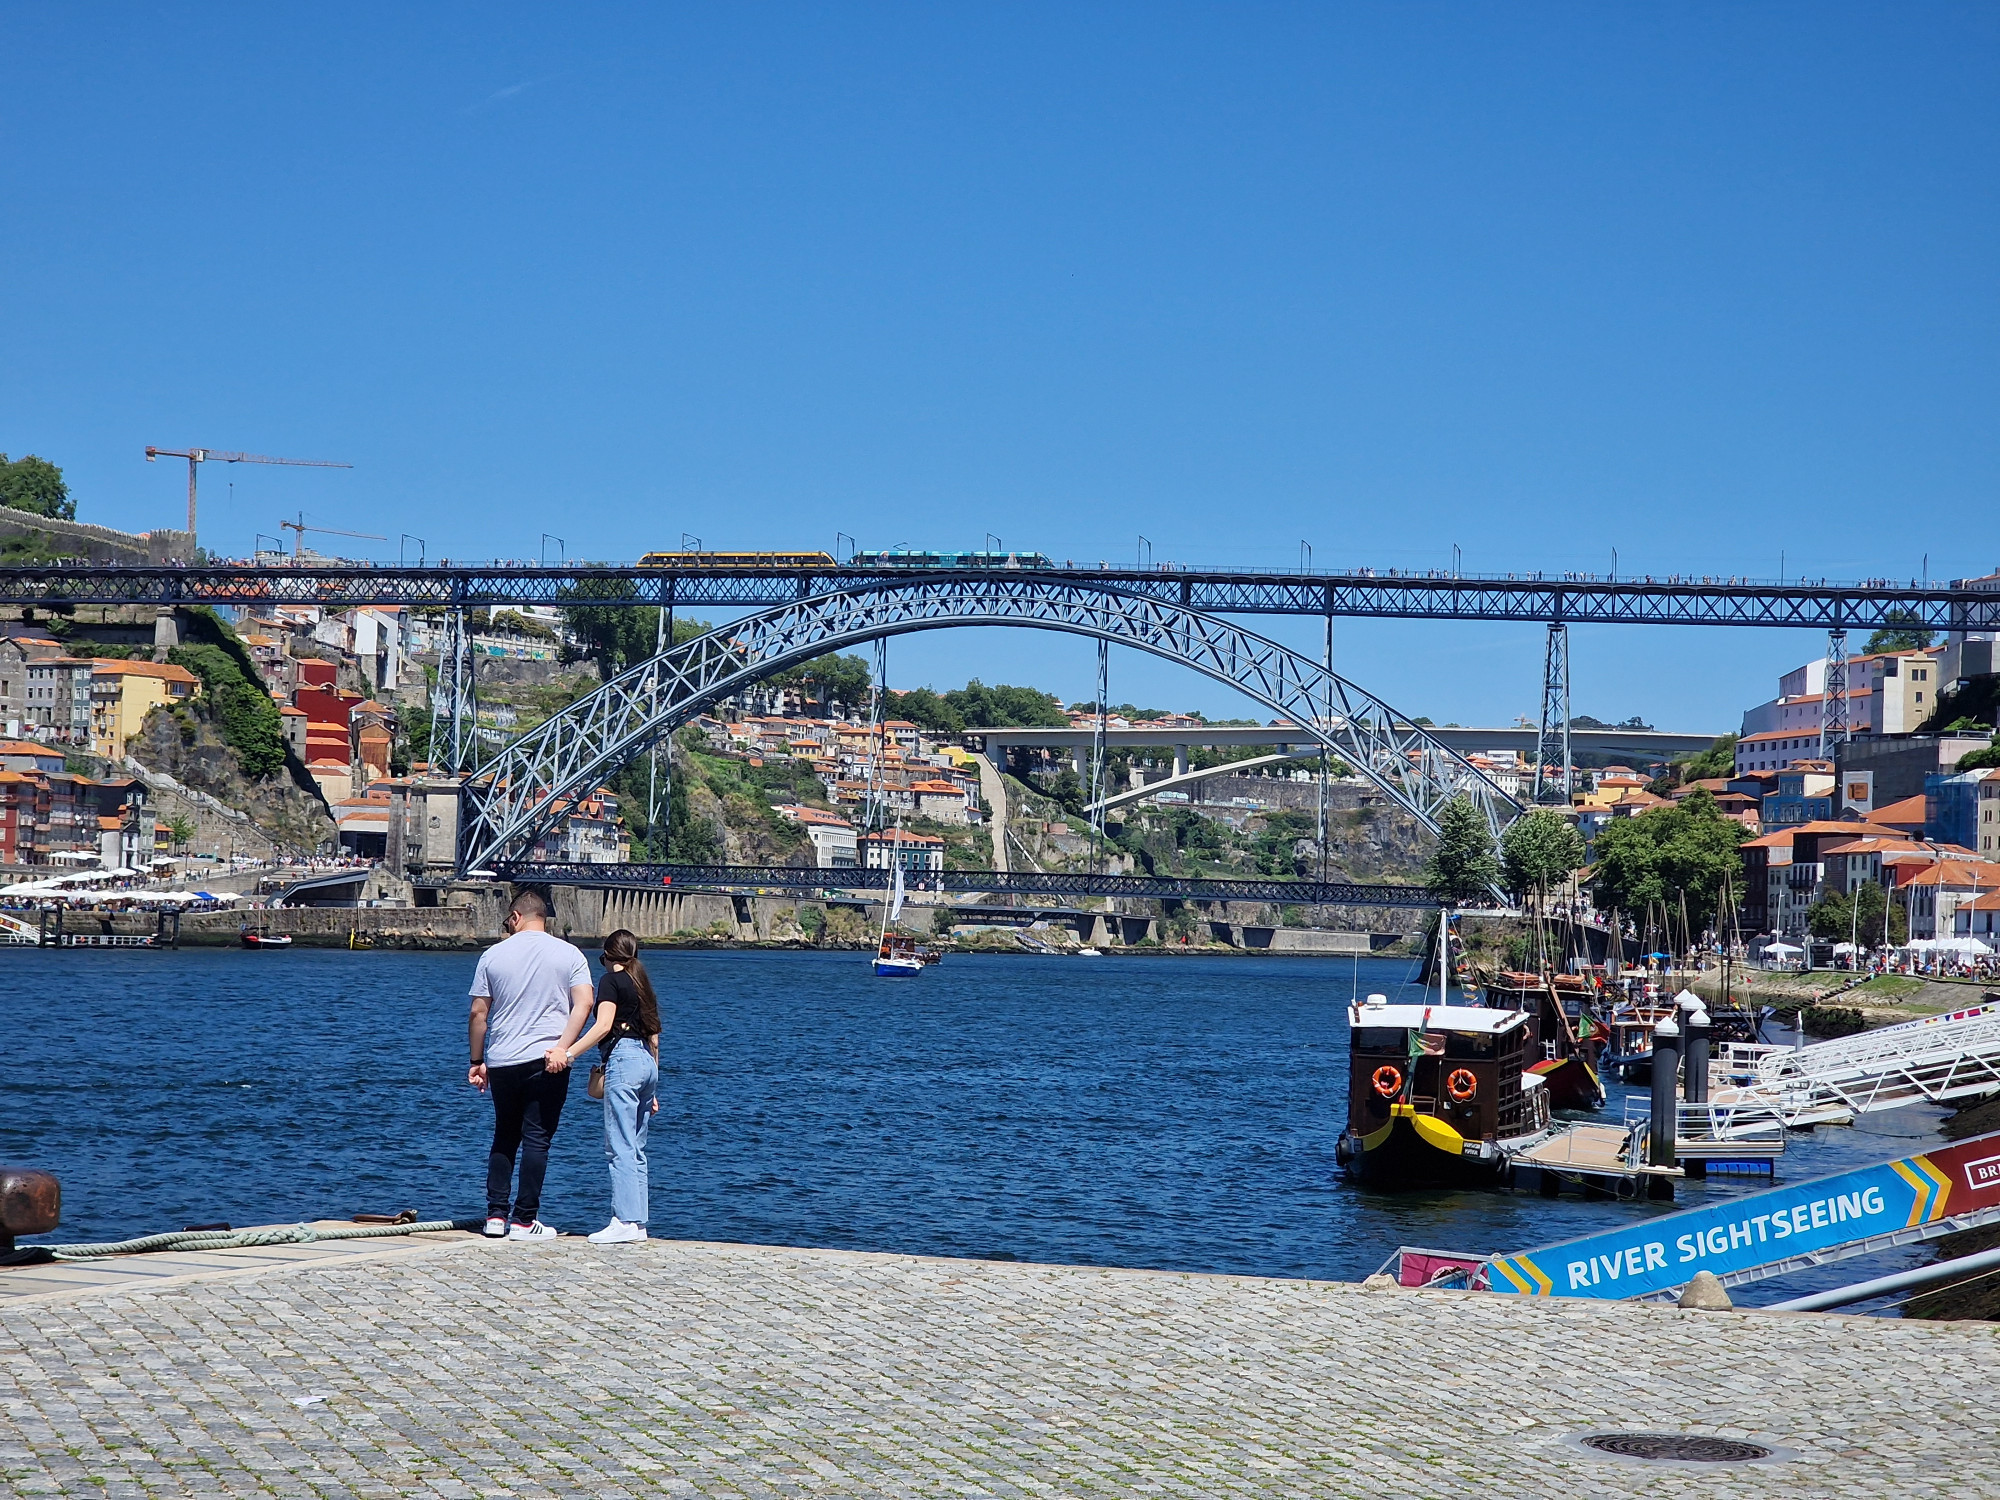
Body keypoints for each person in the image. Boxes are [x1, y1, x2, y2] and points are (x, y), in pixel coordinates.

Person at [467, 890, 596, 1240]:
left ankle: (495, 1216)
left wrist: (477, 1061)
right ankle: (525, 1220)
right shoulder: (569, 954)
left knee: (504, 1135)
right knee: (537, 1138)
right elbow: (584, 1005)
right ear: (543, 917)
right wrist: (563, 1048)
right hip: (547, 1060)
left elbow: (479, 1013)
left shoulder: (492, 955)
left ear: (515, 917)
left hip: (503, 1060)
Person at [546, 928, 661, 1244]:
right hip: (646, 1065)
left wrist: (568, 1053)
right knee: (636, 1148)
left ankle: (623, 1220)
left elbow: (603, 1026)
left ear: (608, 955)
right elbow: (654, 1036)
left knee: (619, 1146)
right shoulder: (643, 984)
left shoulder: (611, 981)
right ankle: (638, 1223)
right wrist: (654, 1087)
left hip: (623, 1060)